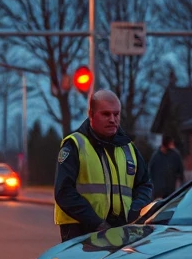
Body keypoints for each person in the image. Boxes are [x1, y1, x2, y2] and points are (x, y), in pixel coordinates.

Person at [53, 89, 153, 242]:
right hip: (80, 230)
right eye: (106, 114)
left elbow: (145, 184)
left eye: (116, 114)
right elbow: (64, 192)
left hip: (121, 230)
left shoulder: (128, 148)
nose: (113, 119)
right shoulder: (75, 145)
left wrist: (135, 211)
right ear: (91, 115)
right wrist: (97, 223)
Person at [147, 134, 185, 199]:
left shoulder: (175, 155)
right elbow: (150, 172)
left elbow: (181, 171)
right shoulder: (156, 156)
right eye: (171, 143)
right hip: (158, 192)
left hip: (171, 191)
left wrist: (181, 185)